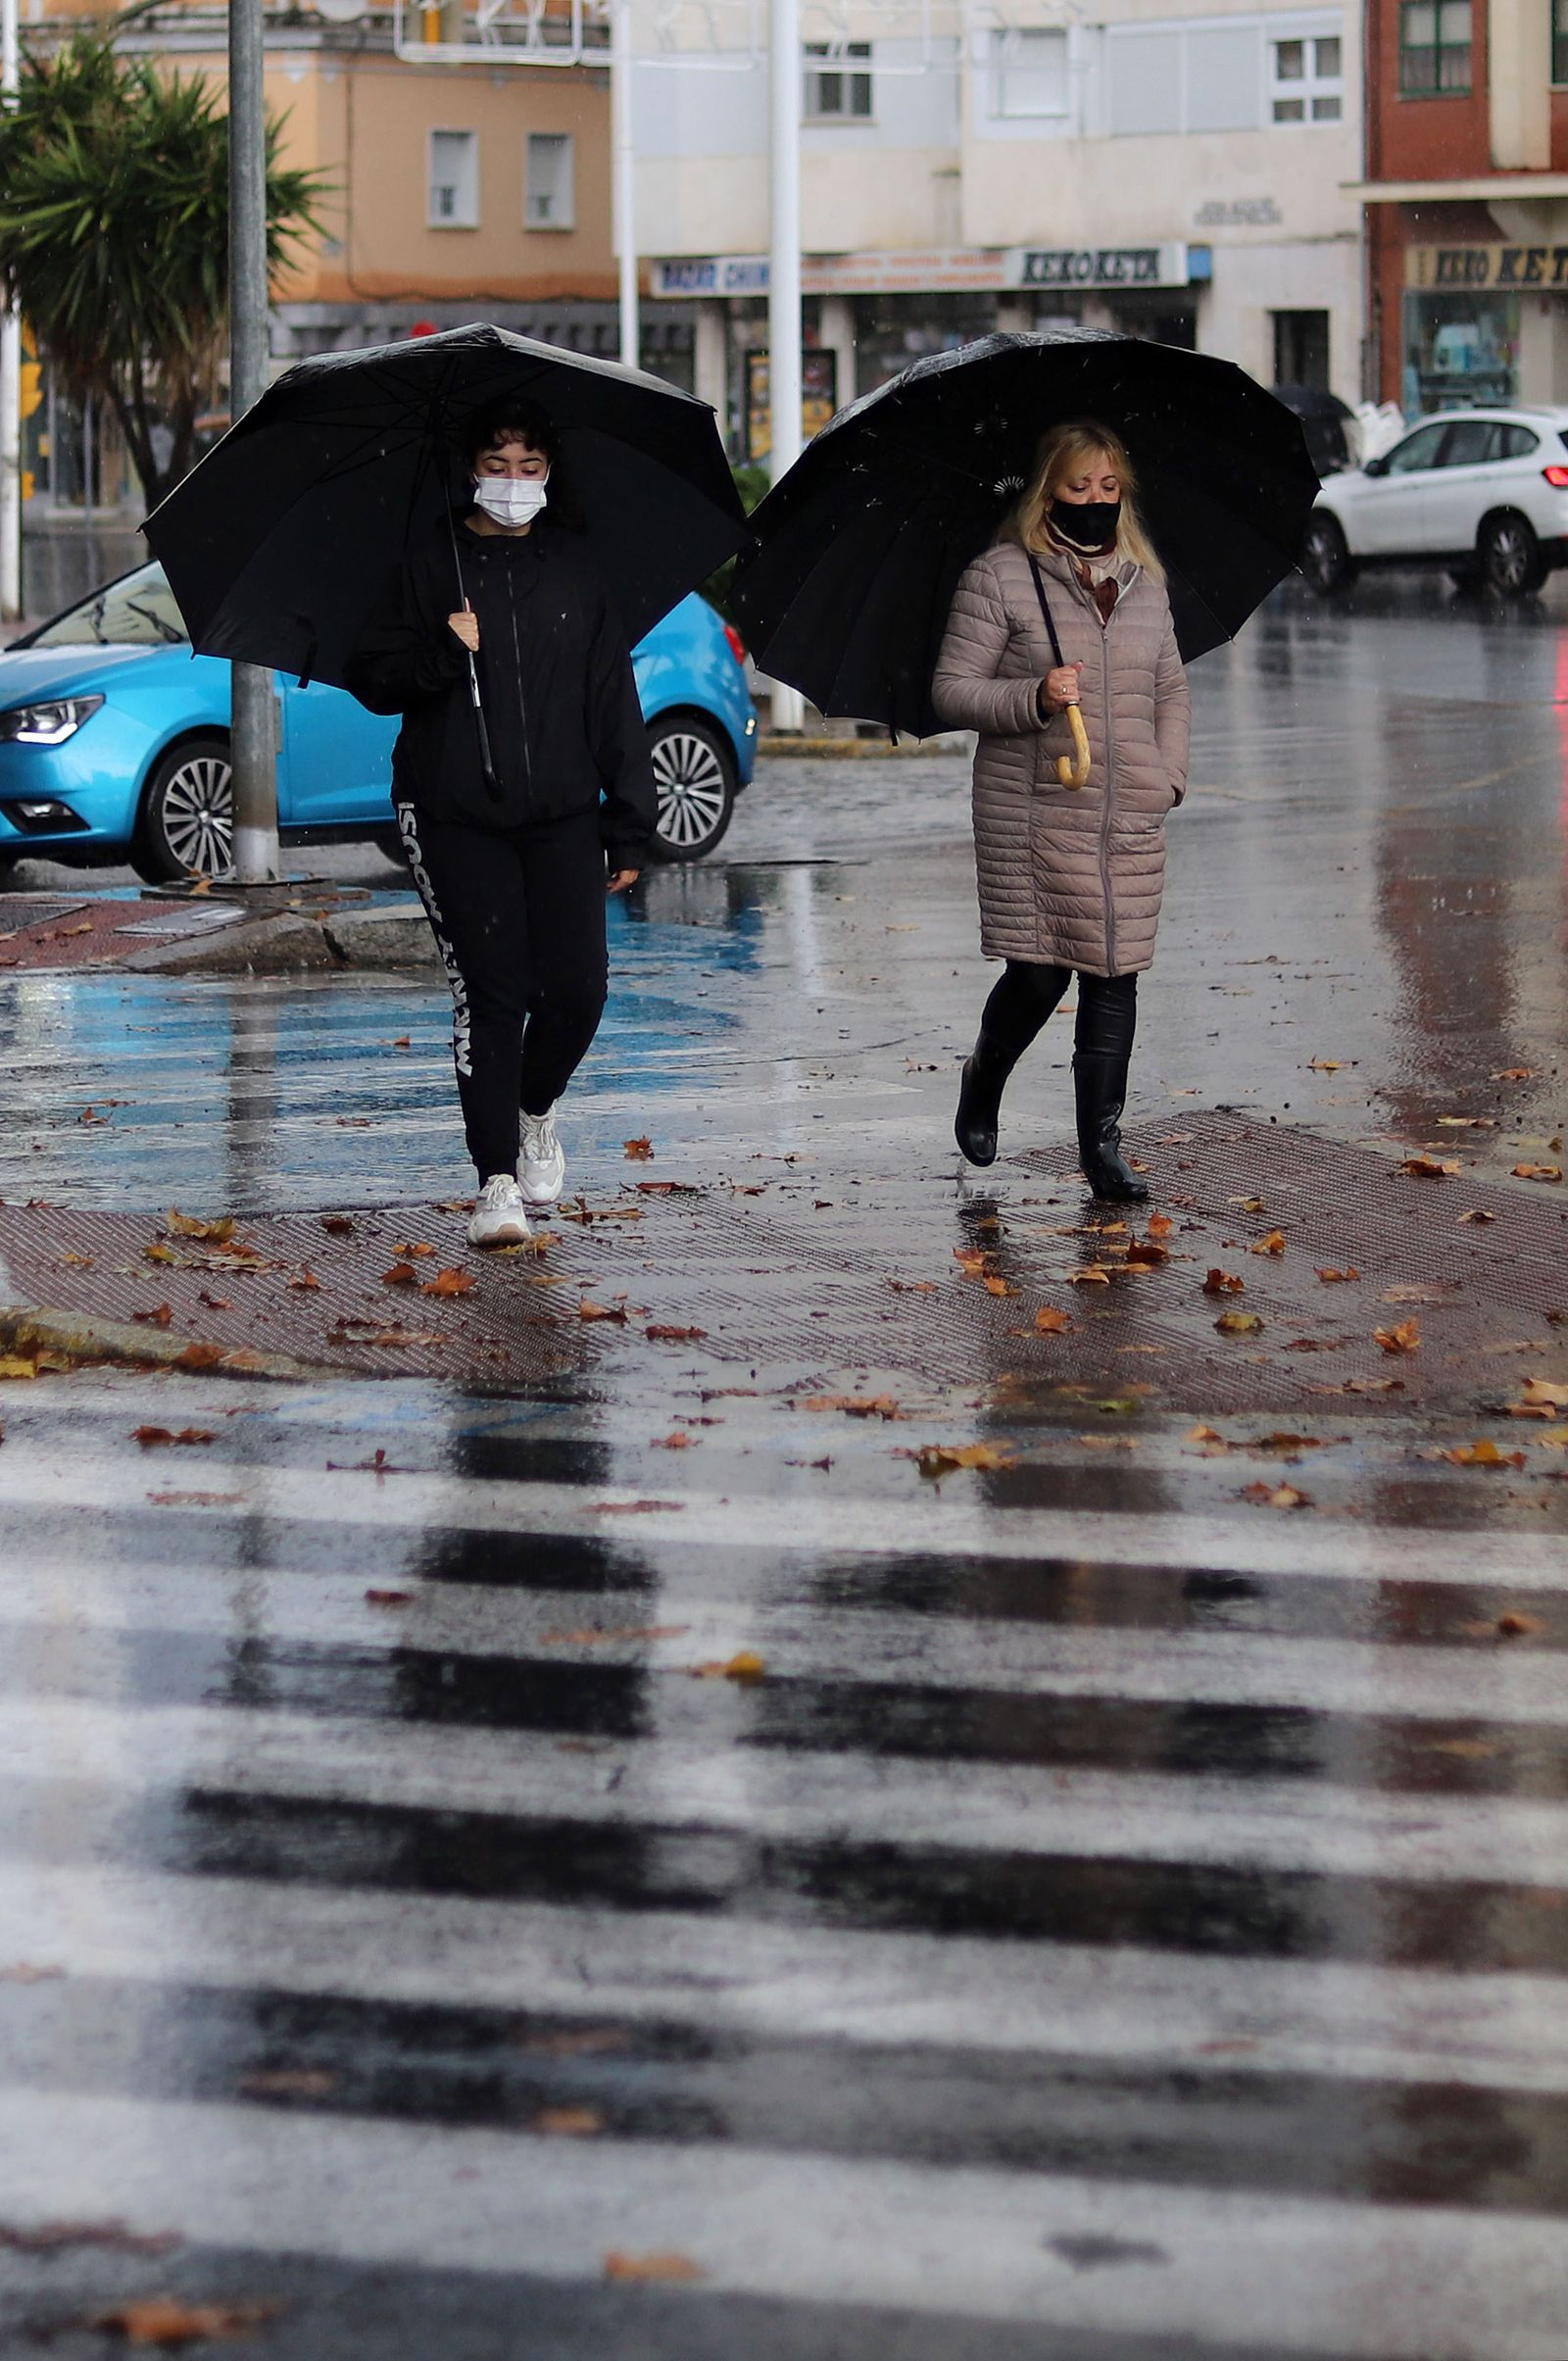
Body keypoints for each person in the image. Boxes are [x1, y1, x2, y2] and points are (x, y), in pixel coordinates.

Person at [346, 398, 657, 1247]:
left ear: (549, 474)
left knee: (579, 992)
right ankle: (495, 1182)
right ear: (471, 469)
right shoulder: (428, 561)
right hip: (452, 813)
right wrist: (442, 652)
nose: (513, 483)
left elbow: (612, 702)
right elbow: (372, 677)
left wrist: (630, 821)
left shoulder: (578, 569)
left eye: (529, 466)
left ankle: (535, 1106)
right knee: (492, 992)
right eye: (498, 464)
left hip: (561, 812)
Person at [932, 420, 1190, 1203]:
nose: (1095, 503)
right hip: (1035, 812)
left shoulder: (1145, 582)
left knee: (1116, 972)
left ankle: (1101, 1148)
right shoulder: (1003, 577)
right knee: (1040, 973)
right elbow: (952, 690)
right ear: (1046, 493)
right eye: (1079, 488)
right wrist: (1034, 696)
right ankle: (984, 1077)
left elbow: (1171, 689)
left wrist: (1166, 774)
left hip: (1127, 811)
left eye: (1109, 489)